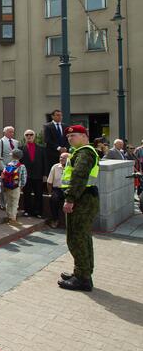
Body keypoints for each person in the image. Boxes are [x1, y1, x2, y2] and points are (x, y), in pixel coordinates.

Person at [58, 125, 100, 292]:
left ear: (84, 136)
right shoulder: (82, 152)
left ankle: (82, 279)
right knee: (82, 237)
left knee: (77, 238)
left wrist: (70, 199)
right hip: (84, 198)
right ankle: (82, 273)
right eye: (68, 137)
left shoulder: (85, 153)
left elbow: (79, 176)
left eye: (74, 136)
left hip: (81, 200)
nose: (70, 139)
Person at [21, 129, 47, 218]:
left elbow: (44, 162)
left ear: (34, 136)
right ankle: (27, 211)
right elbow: (19, 163)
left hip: (38, 175)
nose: (29, 136)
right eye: (27, 135)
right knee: (26, 194)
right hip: (26, 175)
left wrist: (44, 175)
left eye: (31, 134)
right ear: (25, 137)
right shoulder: (21, 148)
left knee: (38, 194)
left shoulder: (41, 148)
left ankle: (38, 212)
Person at [47, 152, 69, 228]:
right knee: (53, 198)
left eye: (64, 158)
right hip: (57, 189)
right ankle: (55, 220)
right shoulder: (55, 167)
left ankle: (70, 223)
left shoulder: (72, 167)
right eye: (60, 157)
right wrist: (50, 193)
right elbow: (49, 182)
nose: (61, 159)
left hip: (68, 189)